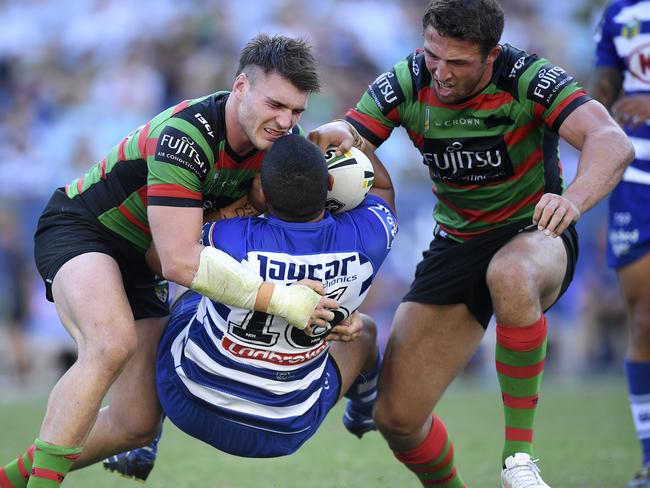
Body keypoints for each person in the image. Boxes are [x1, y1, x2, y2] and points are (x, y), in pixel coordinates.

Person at [309, 0, 634, 486]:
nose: (439, 72)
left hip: (535, 232)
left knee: (512, 273)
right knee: (396, 418)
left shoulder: (530, 78)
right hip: (457, 242)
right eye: (432, 55)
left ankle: (517, 461)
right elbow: (356, 133)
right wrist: (339, 132)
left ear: (491, 55)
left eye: (457, 62)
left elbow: (612, 141)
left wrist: (574, 202)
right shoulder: (408, 78)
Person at [0, 34, 338, 488]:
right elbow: (179, 261)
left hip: (147, 260)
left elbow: (285, 241)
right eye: (275, 104)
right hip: (85, 230)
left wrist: (336, 308)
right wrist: (279, 298)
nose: (285, 122)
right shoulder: (187, 135)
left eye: (296, 111)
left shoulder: (280, 145)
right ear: (241, 87)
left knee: (135, 424)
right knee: (110, 344)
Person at [156, 134, 396, 464]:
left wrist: (245, 204)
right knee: (364, 332)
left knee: (190, 280)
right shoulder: (369, 235)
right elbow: (382, 190)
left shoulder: (229, 237)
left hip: (186, 403)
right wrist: (352, 139)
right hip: (288, 428)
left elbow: (169, 252)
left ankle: (143, 430)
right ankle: (365, 410)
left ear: (264, 192)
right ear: (328, 182)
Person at [589, 2, 650, 486]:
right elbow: (603, 87)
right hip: (635, 175)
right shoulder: (619, 11)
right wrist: (593, 105)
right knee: (645, 318)